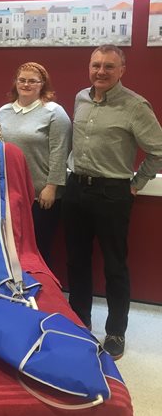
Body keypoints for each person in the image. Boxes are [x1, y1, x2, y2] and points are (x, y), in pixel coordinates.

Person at [63, 44, 162, 360]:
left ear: (122, 70)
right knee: (76, 261)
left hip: (113, 194)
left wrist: (135, 184)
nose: (100, 72)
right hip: (76, 188)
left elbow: (158, 150)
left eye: (108, 66)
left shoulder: (135, 106)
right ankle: (80, 320)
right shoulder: (80, 97)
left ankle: (116, 330)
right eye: (95, 66)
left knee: (115, 266)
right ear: (89, 67)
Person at [0, 62, 71, 267]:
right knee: (10, 248)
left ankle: (37, 295)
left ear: (42, 84)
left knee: (38, 251)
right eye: (22, 80)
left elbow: (60, 151)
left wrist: (52, 187)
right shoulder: (3, 111)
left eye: (32, 81)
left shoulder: (54, 112)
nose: (26, 84)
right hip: (9, 194)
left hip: (40, 196)